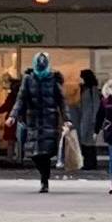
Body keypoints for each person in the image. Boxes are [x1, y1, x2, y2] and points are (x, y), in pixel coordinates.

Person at [15, 52, 67, 192]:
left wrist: (67, 119)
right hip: (33, 120)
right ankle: (44, 176)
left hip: (49, 119)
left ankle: (44, 181)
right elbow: (21, 99)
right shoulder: (28, 79)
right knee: (34, 154)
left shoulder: (53, 79)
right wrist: (13, 116)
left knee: (45, 152)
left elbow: (61, 101)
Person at [75, 69, 103, 172]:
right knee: (85, 141)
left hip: (90, 119)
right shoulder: (84, 88)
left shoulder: (93, 89)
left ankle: (90, 163)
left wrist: (95, 119)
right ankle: (88, 162)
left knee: (89, 142)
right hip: (84, 118)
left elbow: (96, 104)